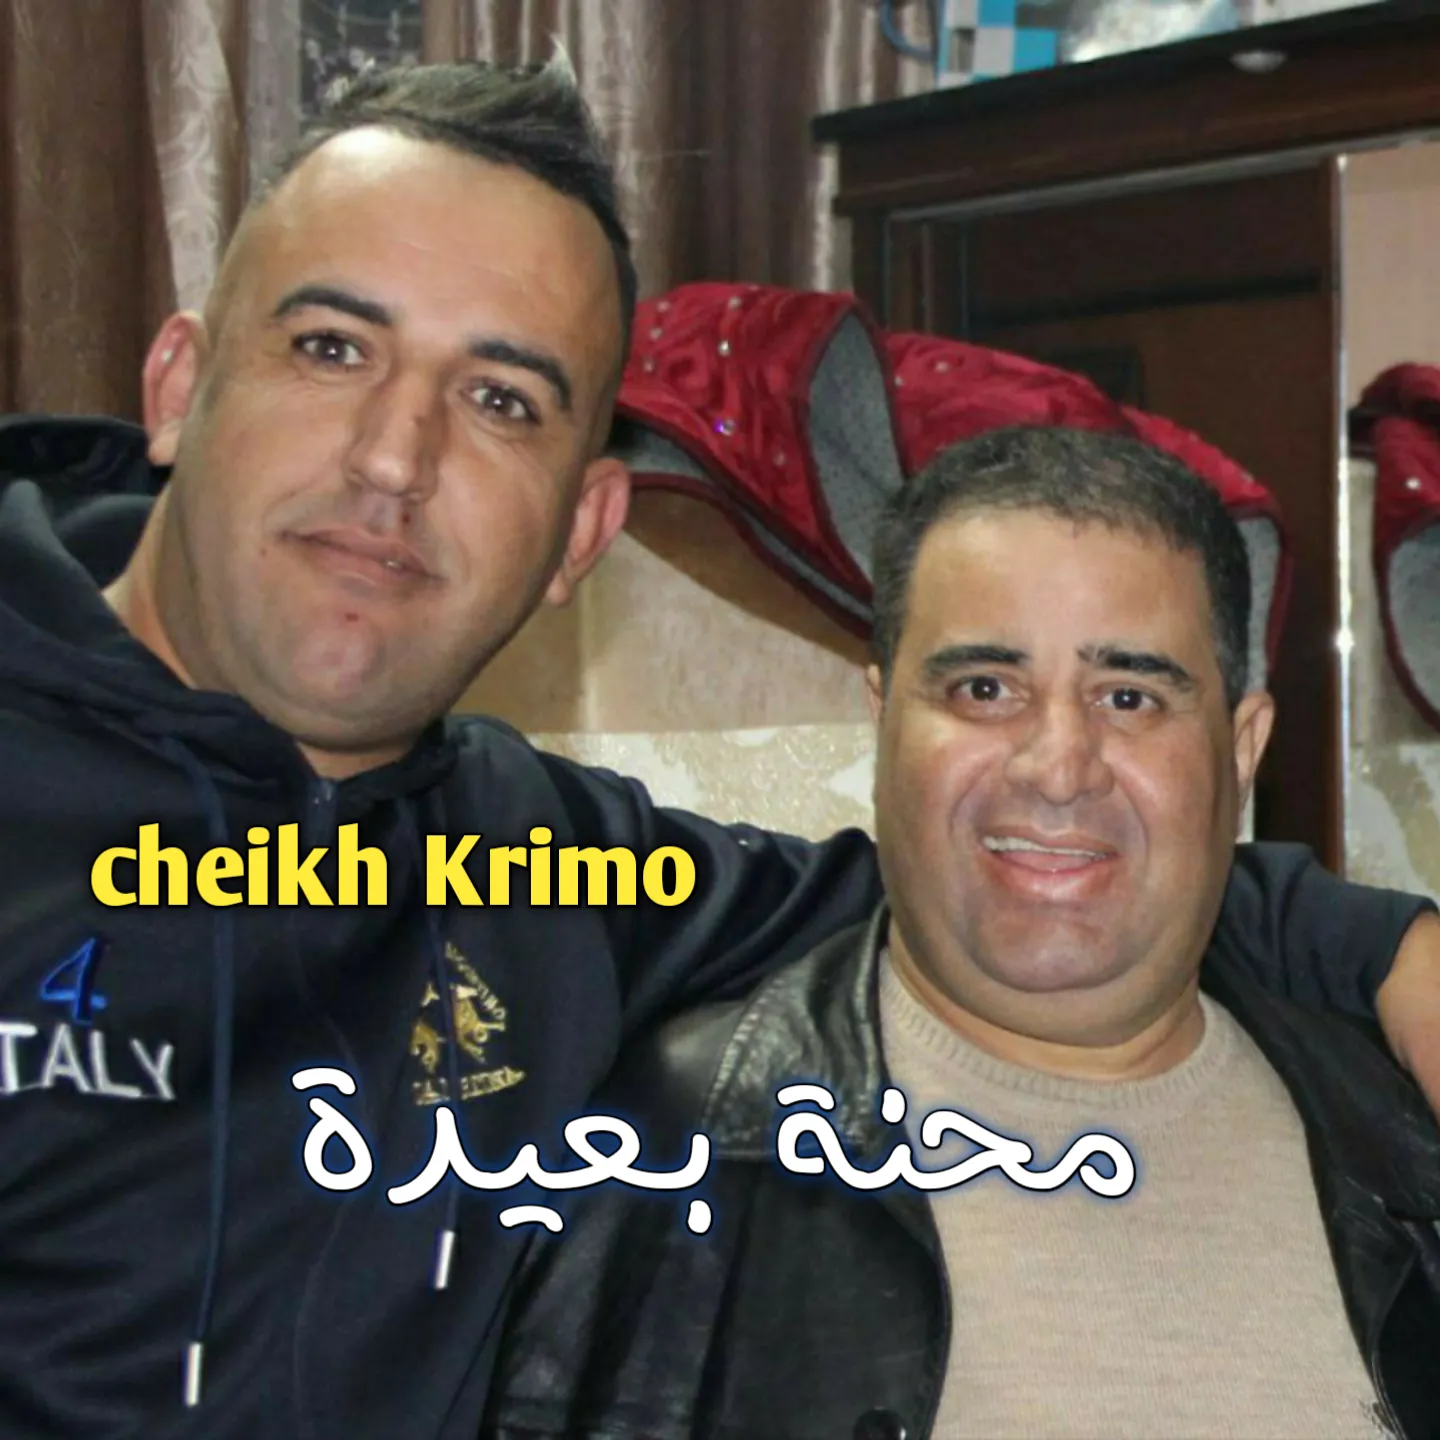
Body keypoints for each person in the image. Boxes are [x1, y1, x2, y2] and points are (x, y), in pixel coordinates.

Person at [0, 56, 1434, 1440]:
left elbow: (1022, 867)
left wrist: (1393, 944)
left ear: (582, 531)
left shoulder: (550, 874)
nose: (394, 455)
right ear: (178, 384)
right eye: (331, 348)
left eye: (502, 400)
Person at [483, 428, 1440, 1440]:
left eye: (1130, 697)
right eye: (985, 689)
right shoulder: (656, 1160)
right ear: (884, 718)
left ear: (1241, 749)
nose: (1058, 767)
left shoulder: (1405, 1140)